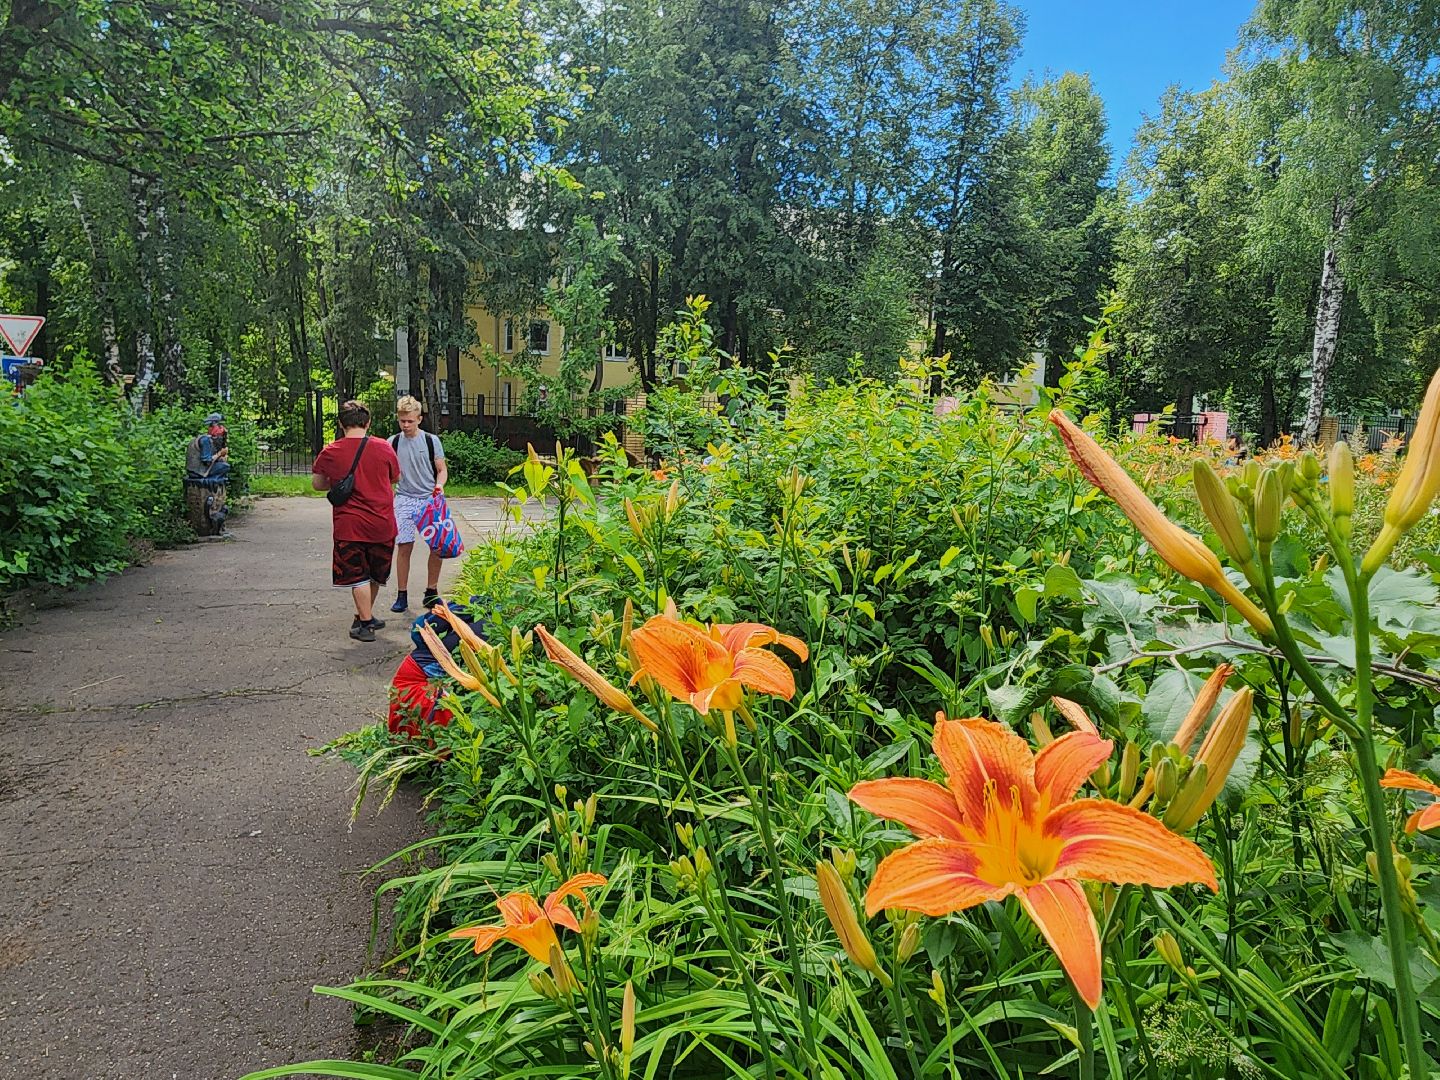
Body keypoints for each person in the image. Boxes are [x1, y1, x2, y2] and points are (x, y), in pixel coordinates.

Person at [312, 400, 401, 642]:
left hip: (349, 526)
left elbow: (318, 484)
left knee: (357, 575)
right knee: (373, 574)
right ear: (368, 422)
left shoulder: (331, 451)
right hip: (382, 523)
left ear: (341, 424)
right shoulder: (384, 448)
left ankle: (364, 623)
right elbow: (395, 477)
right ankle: (366, 616)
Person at [388, 395, 448, 613]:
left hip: (429, 498)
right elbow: (386, 473)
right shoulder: (392, 442)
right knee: (404, 546)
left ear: (419, 419)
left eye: (410, 421)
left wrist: (439, 486)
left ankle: (431, 592)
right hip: (403, 498)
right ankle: (401, 594)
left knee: (437, 547)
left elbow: (441, 470)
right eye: (402, 420)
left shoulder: (431, 441)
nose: (405, 425)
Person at [185, 412, 231, 479]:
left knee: (223, 464)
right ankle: (212, 482)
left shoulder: (208, 440)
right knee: (225, 466)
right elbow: (207, 461)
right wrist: (219, 454)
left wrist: (222, 457)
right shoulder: (205, 440)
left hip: (198, 469)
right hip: (197, 471)